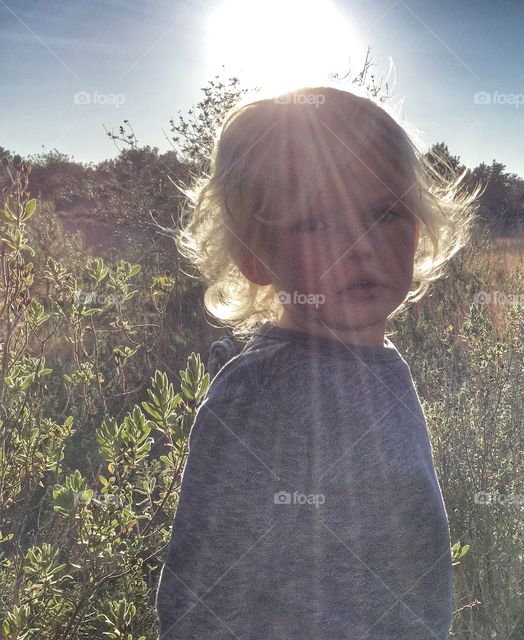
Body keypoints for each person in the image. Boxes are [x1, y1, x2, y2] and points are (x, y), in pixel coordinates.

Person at [156, 83, 480, 639]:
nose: (361, 246)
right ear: (254, 254)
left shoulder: (380, 364)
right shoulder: (259, 398)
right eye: (317, 222)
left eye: (385, 212)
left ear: (420, 228)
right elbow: (200, 605)